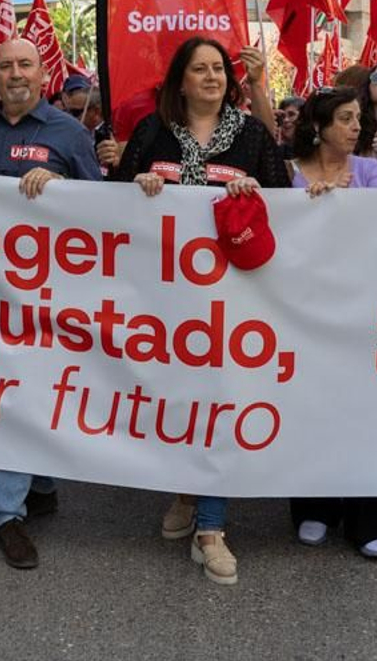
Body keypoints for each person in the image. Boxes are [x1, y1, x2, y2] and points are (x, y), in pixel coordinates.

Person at [114, 35, 289, 586]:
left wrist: (256, 191)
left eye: (219, 69)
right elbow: (110, 199)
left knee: (220, 397)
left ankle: (210, 529)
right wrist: (139, 185)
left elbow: (284, 197)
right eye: (200, 69)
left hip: (231, 299)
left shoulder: (252, 135)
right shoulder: (154, 132)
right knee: (178, 397)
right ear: (181, 81)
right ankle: (186, 492)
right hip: (164, 298)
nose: (212, 77)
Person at [0, 38, 103, 569]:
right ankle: (13, 510)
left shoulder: (69, 132)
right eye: (5, 66)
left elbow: (102, 206)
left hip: (49, 291)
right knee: (12, 393)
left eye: (25, 64)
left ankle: (27, 494)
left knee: (30, 391)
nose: (16, 73)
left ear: (45, 74)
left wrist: (63, 187)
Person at [284, 87, 377, 559]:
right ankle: (315, 506)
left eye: (358, 118)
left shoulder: (370, 170)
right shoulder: (288, 173)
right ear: (318, 126)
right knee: (311, 404)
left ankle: (369, 517)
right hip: (302, 306)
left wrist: (343, 205)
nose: (356, 127)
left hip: (359, 303)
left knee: (362, 408)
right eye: (345, 118)